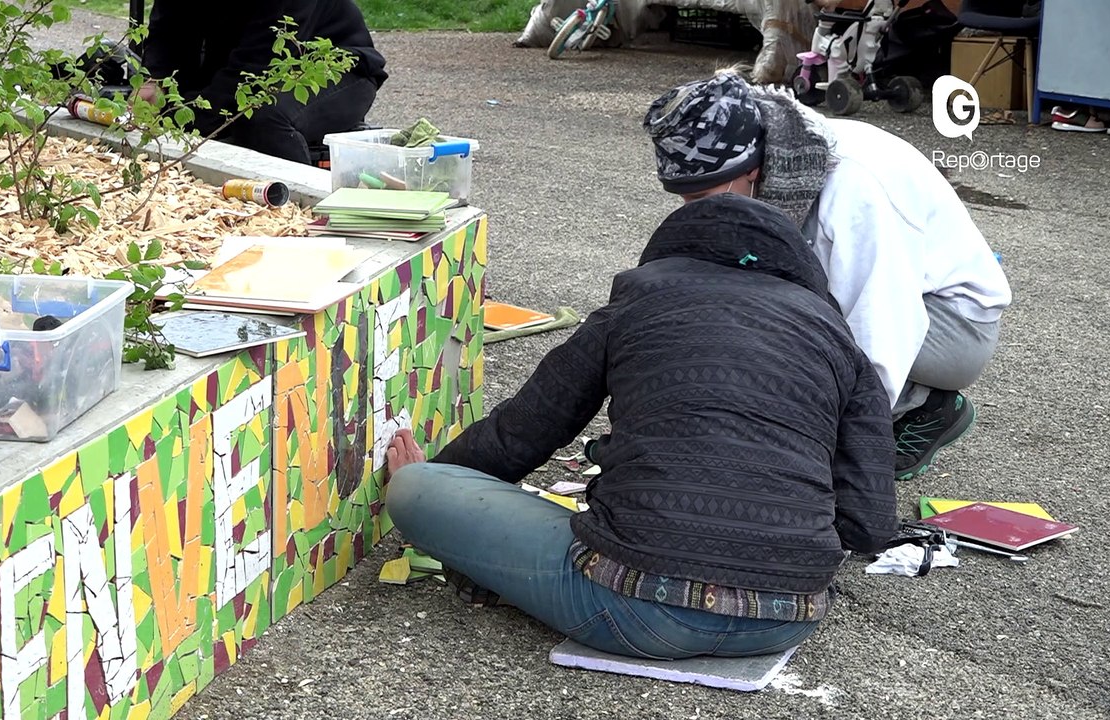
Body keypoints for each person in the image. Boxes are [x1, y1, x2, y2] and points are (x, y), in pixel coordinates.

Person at [383, 193, 898, 661]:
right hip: (785, 621)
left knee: (414, 488)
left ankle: (484, 563)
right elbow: (870, 523)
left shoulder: (638, 301)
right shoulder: (839, 342)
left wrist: (438, 483)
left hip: (630, 609)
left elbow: (523, 433)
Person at [641, 70, 1012, 480]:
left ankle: (925, 405)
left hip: (952, 323)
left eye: (700, 197)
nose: (692, 209)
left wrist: (819, 445)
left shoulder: (855, 189)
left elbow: (881, 331)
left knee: (801, 329)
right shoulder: (777, 150)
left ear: (750, 170)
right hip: (882, 295)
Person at [136, 0, 387, 165]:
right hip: (247, 62)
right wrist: (155, 81)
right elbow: (167, 28)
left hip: (336, 65)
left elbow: (258, 64)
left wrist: (187, 117)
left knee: (263, 120)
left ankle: (302, 206)